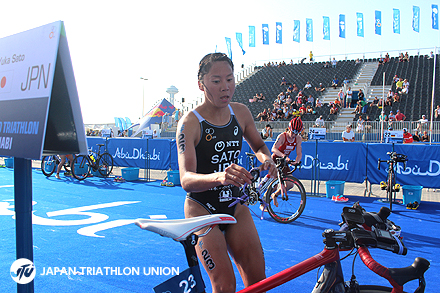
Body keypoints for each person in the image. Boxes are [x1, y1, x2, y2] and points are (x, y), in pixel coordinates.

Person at [176, 53, 277, 292]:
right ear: (201, 84)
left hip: (235, 203)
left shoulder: (241, 113)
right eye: (216, 81)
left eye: (230, 79)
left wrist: (267, 159)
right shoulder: (190, 123)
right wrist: (219, 176)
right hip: (201, 208)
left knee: (258, 281)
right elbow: (186, 179)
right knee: (225, 286)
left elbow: (260, 146)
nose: (226, 87)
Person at [270, 117, 303, 206]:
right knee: (275, 183)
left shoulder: (298, 139)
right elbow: (273, 149)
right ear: (289, 129)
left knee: (290, 184)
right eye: (293, 132)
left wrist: (296, 162)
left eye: (296, 133)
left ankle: (275, 195)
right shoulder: (282, 136)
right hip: (276, 159)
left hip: (284, 161)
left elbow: (299, 153)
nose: (293, 135)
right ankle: (264, 202)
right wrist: (284, 156)